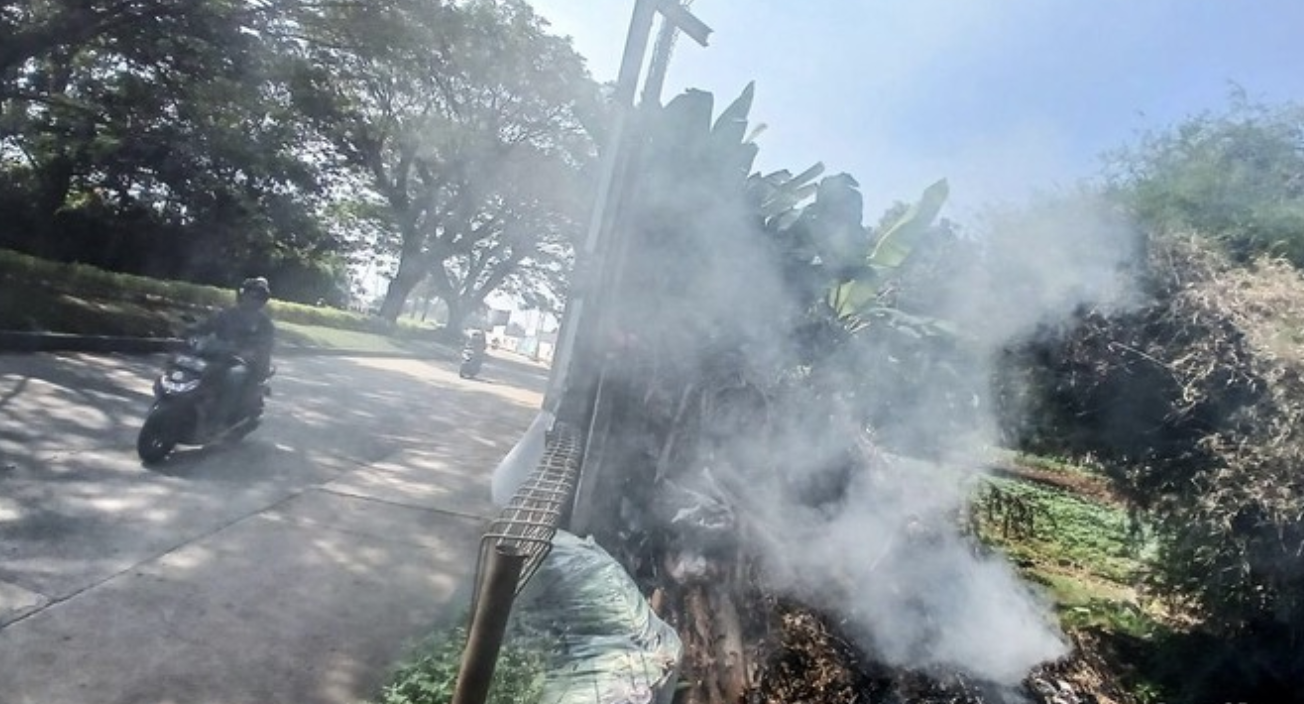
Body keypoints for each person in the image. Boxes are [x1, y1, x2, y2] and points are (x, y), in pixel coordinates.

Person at [191, 277, 276, 424]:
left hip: (244, 364)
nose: (253, 298)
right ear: (242, 294)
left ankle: (219, 419)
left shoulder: (265, 324)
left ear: (263, 300)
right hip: (217, 355)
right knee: (190, 364)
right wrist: (191, 331)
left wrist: (251, 354)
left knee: (233, 377)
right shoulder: (226, 314)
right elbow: (205, 326)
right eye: (250, 294)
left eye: (258, 296)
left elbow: (265, 347)